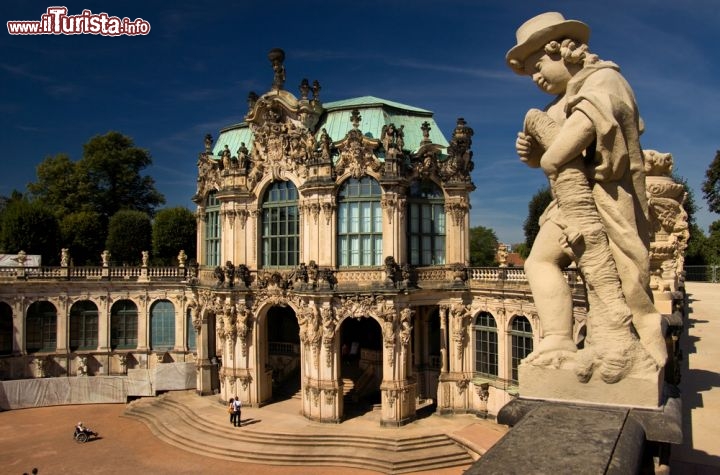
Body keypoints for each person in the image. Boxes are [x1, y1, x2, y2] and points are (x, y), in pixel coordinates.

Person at [506, 12, 667, 382]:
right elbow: (550, 151)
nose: (536, 75)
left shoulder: (604, 79)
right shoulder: (560, 102)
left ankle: (618, 338)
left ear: (564, 51)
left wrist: (548, 152)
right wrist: (531, 152)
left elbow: (586, 129)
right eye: (530, 70)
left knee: (609, 275)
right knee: (539, 262)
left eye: (539, 64)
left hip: (606, 199)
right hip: (569, 203)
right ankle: (560, 339)